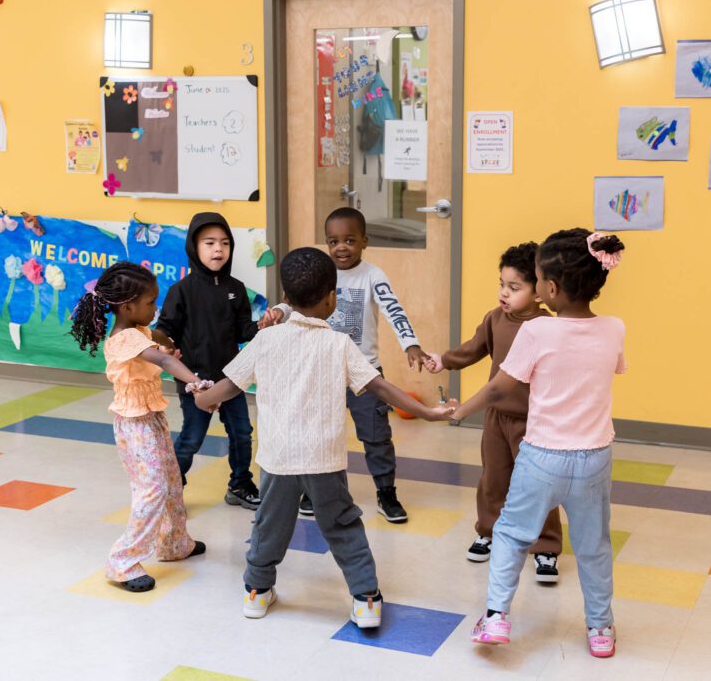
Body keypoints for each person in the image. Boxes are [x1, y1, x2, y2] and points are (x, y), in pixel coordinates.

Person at [194, 247, 455, 626]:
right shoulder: (339, 344)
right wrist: (430, 412)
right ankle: (365, 599)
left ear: (285, 298)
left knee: (269, 525)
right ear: (332, 297)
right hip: (324, 461)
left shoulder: (265, 341)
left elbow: (221, 392)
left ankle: (256, 591)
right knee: (343, 525)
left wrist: (200, 396)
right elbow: (381, 388)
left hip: (279, 461)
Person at [450, 229, 627, 658]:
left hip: (542, 455)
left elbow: (496, 390)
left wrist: (457, 411)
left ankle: (495, 618)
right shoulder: (615, 328)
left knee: (510, 534)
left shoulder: (538, 332)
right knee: (594, 546)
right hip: (594, 457)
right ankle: (600, 629)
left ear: (548, 288)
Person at [425, 243, 563, 577]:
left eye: (514, 288)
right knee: (493, 478)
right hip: (497, 418)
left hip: (536, 421)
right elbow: (473, 349)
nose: (504, 293)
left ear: (540, 292)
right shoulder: (495, 318)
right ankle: (488, 531)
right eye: (502, 284)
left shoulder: (549, 326)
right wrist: (443, 360)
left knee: (540, 484)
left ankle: (545, 546)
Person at [69, 262, 208, 593]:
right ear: (128, 306)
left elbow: (157, 340)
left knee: (172, 481)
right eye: (150, 303)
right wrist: (194, 381)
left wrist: (167, 339)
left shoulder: (138, 331)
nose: (155, 308)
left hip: (151, 417)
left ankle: (174, 542)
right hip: (134, 425)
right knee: (153, 488)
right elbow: (162, 360)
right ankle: (123, 561)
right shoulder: (123, 339)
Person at [155, 212, 288, 510]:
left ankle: (240, 484)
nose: (218, 249)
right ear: (194, 247)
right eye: (210, 243)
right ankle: (170, 489)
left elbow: (244, 331)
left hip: (232, 379)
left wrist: (263, 325)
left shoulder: (236, 289)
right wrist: (160, 341)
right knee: (191, 438)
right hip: (195, 383)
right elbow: (166, 330)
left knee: (242, 433)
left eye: (225, 243)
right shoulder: (182, 291)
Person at [305, 207, 429, 523]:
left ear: (364, 241)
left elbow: (393, 309)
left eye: (349, 240)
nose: (341, 247)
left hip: (365, 372)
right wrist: (277, 313)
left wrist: (409, 343)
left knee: (376, 435)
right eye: (333, 241)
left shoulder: (373, 275)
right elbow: (295, 302)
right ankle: (314, 490)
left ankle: (386, 492)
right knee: (319, 433)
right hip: (324, 370)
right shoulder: (320, 274)